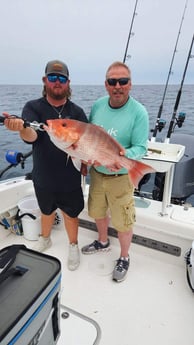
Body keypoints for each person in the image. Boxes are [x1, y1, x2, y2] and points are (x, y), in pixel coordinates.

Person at [3, 59, 88, 271]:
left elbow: (86, 142)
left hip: (70, 177)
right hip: (43, 176)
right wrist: (20, 128)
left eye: (61, 78)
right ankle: (45, 238)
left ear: (68, 83)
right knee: (46, 210)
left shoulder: (77, 113)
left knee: (71, 214)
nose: (57, 82)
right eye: (52, 77)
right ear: (45, 80)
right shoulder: (33, 107)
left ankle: (73, 245)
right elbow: (31, 136)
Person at [81, 61, 149, 282]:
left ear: (130, 84)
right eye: (112, 81)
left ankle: (124, 256)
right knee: (97, 212)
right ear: (106, 84)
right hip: (98, 173)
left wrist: (122, 157)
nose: (117, 85)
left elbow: (141, 148)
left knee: (123, 222)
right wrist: (87, 157)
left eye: (123, 81)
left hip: (121, 177)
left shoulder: (139, 112)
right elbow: (90, 138)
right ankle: (102, 241)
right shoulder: (98, 105)